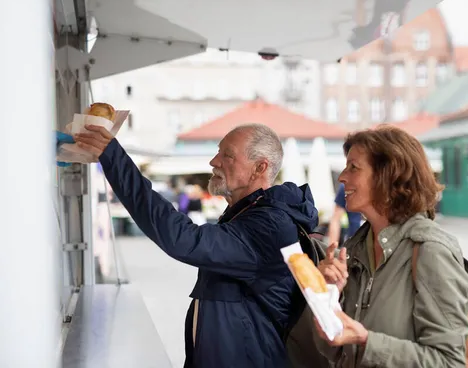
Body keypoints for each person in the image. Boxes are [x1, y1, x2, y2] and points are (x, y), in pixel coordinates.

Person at [73, 123, 319, 368]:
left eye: (227, 155)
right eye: (218, 152)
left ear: (260, 168)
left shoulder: (269, 226)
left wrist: (115, 160)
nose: (214, 161)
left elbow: (182, 238)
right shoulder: (247, 214)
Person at [312, 126, 468, 367]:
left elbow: (449, 362)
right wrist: (329, 297)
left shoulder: (430, 249)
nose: (342, 177)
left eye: (353, 167)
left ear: (388, 175)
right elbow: (336, 352)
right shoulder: (355, 249)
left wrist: (367, 341)